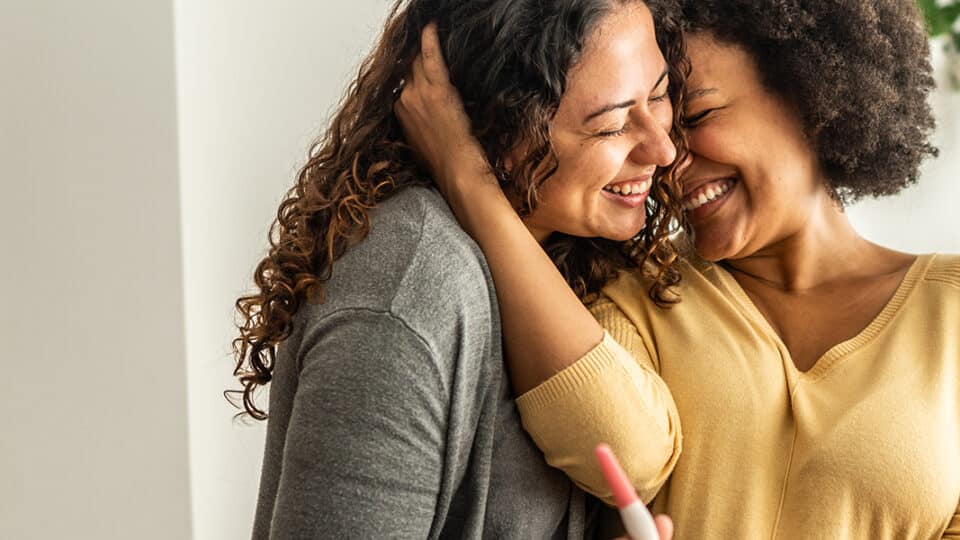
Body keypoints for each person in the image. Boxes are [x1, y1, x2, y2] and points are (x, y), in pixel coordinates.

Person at [396, 0, 960, 538]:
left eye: (697, 115)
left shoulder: (950, 312)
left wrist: (468, 180)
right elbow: (625, 452)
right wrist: (473, 183)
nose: (666, 158)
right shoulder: (624, 290)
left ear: (810, 96)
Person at [230, 0, 686, 537]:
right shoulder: (407, 298)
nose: (663, 147)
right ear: (505, 124)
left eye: (658, 95)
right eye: (610, 126)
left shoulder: (568, 254)